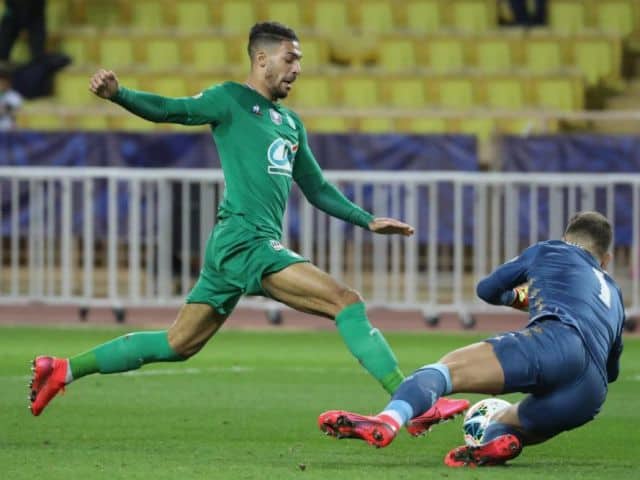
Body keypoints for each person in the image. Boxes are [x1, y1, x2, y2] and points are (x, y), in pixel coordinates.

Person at [28, 22, 469, 426]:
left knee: (177, 344)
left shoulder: (291, 124)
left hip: (237, 246)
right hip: (246, 240)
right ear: (262, 60)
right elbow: (171, 110)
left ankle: (63, 369)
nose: (297, 68)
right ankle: (413, 405)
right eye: (290, 59)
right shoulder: (230, 100)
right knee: (345, 301)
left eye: (299, 60)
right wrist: (120, 94)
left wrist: (367, 219)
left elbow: (316, 189)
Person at [318, 211, 625, 467]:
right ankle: (493, 443)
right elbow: (612, 371)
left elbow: (487, 289)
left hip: (556, 341)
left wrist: (516, 297)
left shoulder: (552, 249)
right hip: (590, 392)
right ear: (606, 259)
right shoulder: (615, 294)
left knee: (444, 370)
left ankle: (389, 420)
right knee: (506, 425)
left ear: (567, 237)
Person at [0, 63, 21, 129]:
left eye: (3, 82)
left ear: (8, 83)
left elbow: (16, 111)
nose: (1, 84)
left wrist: (6, 110)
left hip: (8, 130)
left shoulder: (14, 96)